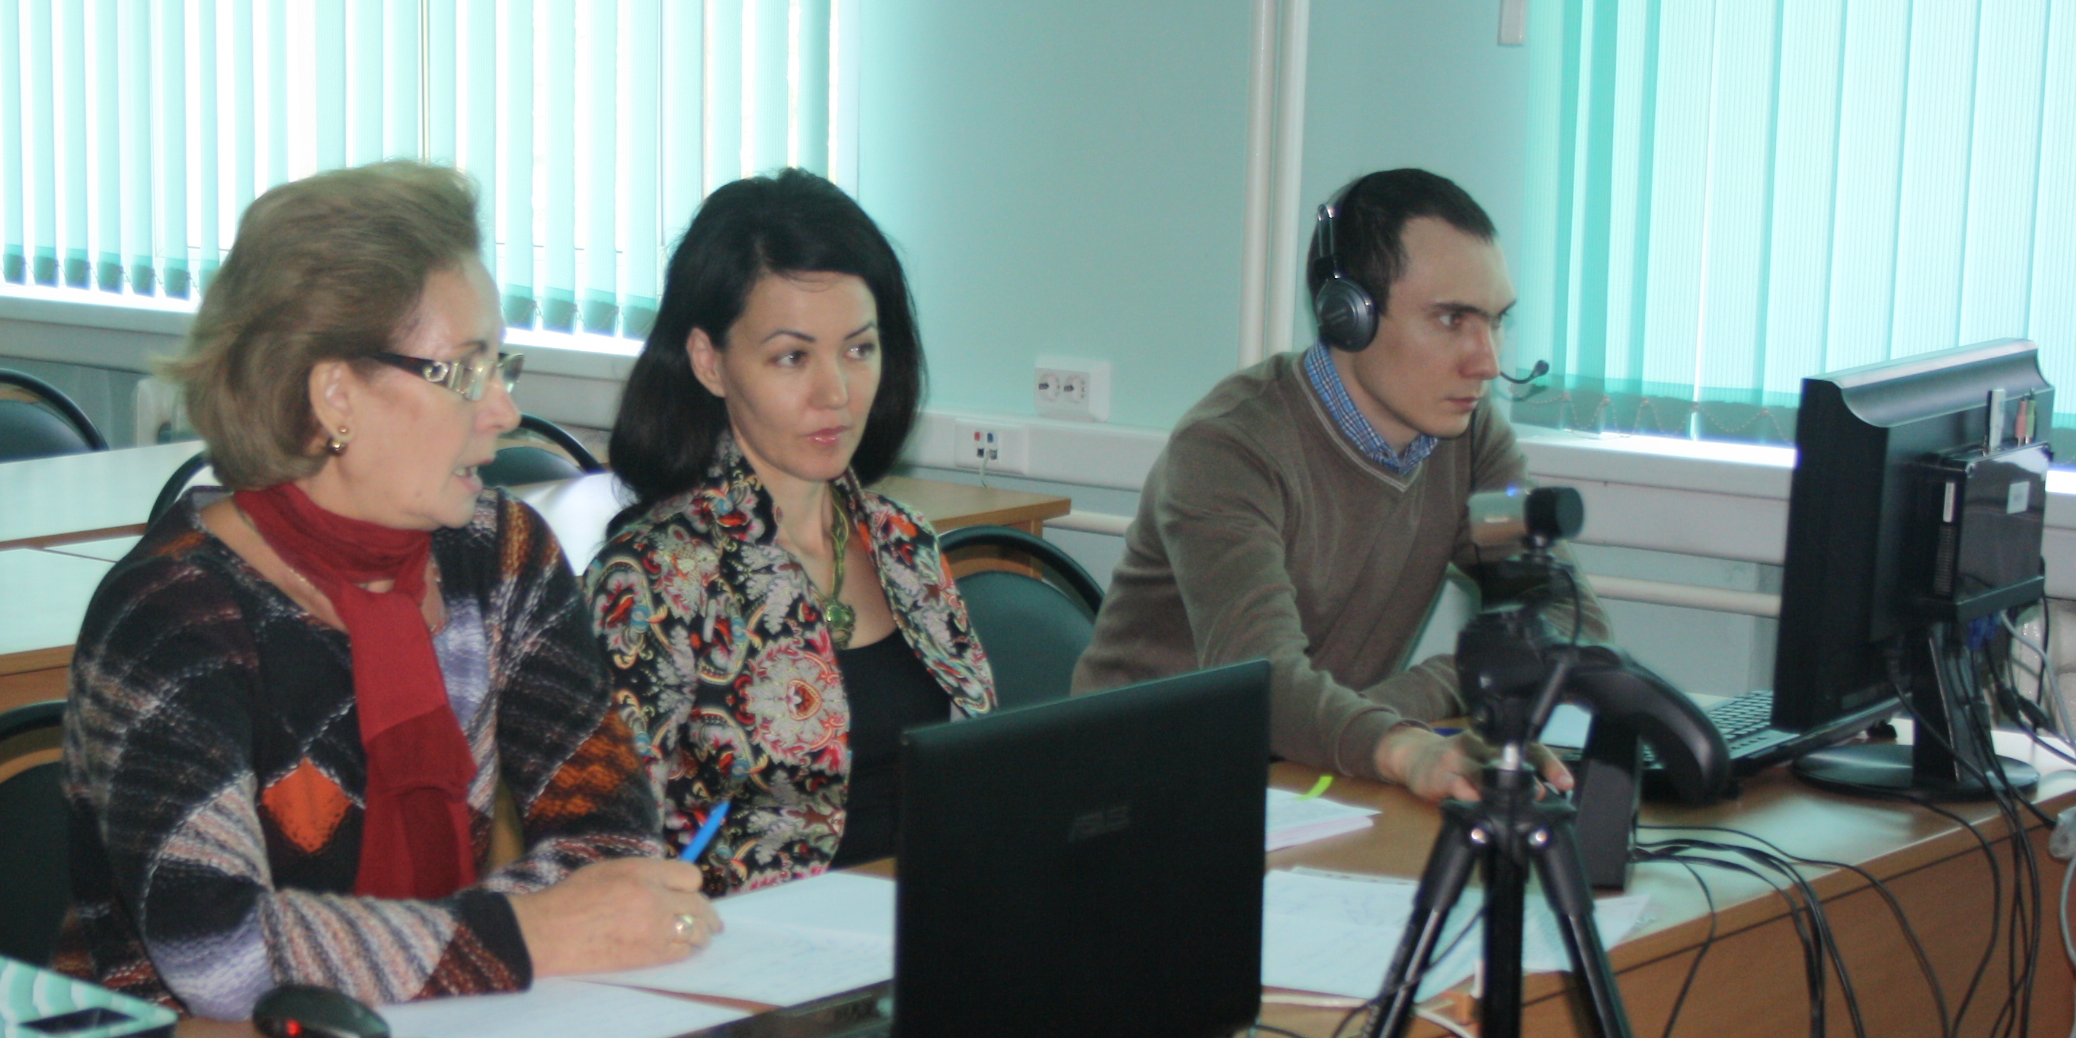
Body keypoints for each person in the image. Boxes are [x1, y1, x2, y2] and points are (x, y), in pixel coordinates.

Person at [57, 161, 718, 1018]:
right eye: (466, 371)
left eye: (502, 365)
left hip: (444, 1037)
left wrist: (458, 948)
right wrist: (527, 936)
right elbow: (218, 954)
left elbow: (610, 840)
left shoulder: (499, 555)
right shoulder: (171, 615)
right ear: (335, 395)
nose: (503, 412)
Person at [1072, 167, 1604, 801]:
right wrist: (1402, 743)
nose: (1486, 361)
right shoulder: (1230, 449)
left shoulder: (1470, 441)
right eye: (1450, 319)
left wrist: (1395, 717)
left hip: (1315, 778)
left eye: (1495, 322)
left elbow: (1567, 619)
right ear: (1347, 315)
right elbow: (1261, 685)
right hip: (1141, 794)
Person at [590, 170, 994, 895]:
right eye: (791, 357)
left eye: (859, 349)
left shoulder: (904, 542)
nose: (835, 393)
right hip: (746, 950)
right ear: (710, 362)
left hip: (936, 923)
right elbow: (607, 858)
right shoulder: (651, 577)